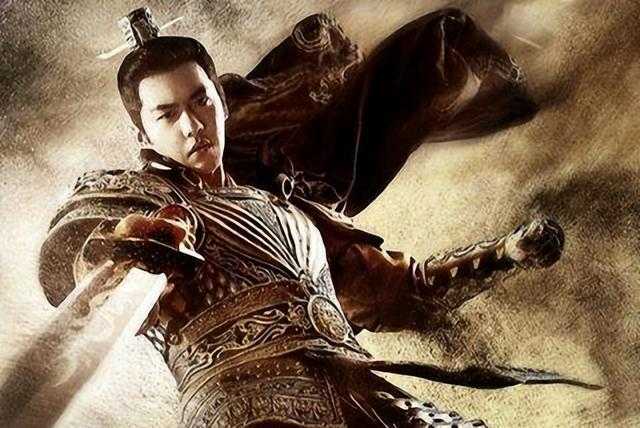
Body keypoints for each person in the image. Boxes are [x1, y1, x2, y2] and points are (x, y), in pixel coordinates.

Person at [39, 7, 576, 428]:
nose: (192, 125)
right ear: (143, 133)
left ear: (221, 100)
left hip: (369, 398)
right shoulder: (140, 199)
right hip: (246, 413)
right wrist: (129, 245)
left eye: (200, 101)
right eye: (167, 114)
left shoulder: (293, 216)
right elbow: (77, 257)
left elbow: (398, 292)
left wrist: (504, 255)